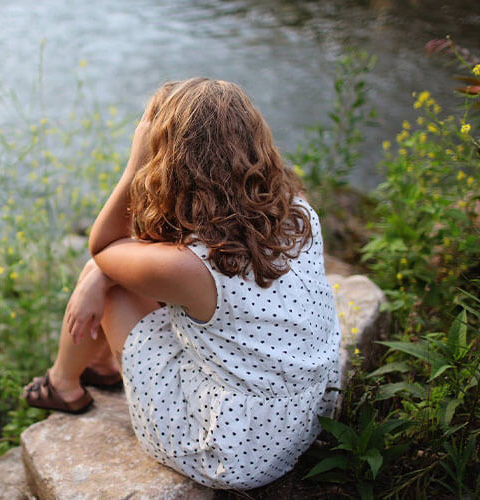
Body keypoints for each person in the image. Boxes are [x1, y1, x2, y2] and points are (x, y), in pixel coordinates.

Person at [22, 77, 341, 490]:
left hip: (235, 451)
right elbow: (149, 256)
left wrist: (135, 161)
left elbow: (103, 246)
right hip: (307, 414)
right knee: (112, 271)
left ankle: (64, 384)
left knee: (107, 280)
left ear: (170, 157)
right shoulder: (297, 213)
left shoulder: (190, 267)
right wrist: (106, 268)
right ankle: (100, 366)